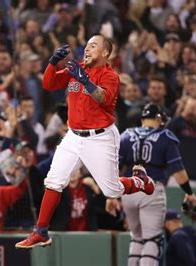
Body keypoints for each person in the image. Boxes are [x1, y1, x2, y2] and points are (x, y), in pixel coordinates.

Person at [16, 36, 155, 249]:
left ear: (105, 53)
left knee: (112, 191)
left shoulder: (110, 75)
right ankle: (41, 231)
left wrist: (85, 81)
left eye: (93, 46)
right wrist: (52, 64)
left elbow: (103, 99)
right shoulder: (77, 68)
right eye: (87, 45)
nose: (87, 49)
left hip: (100, 137)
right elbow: (49, 83)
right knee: (53, 180)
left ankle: (139, 181)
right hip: (74, 135)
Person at [108, 103, 196, 266]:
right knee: (152, 238)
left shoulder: (126, 135)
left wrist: (111, 195)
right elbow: (178, 172)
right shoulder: (165, 136)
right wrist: (189, 193)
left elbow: (113, 170)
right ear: (158, 118)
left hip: (128, 191)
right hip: (151, 189)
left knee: (136, 237)